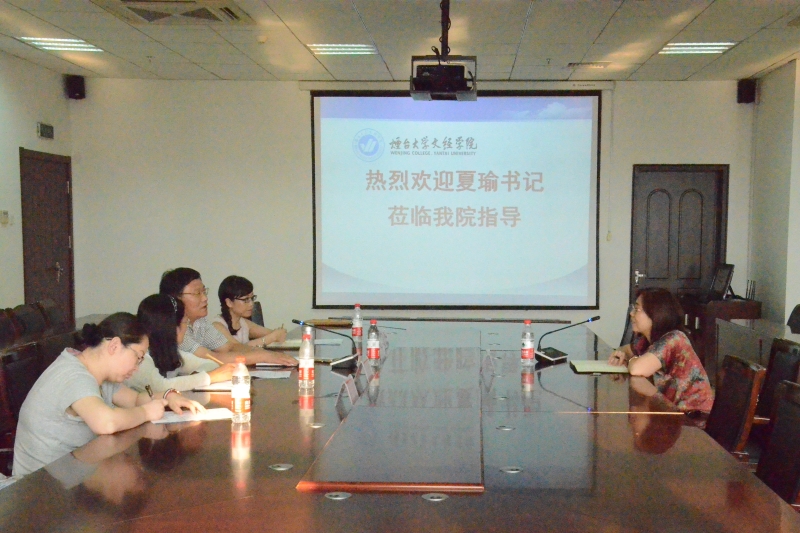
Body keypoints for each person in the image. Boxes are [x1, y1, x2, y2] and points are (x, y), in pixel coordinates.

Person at [12, 313, 203, 477]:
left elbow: (135, 399)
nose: (137, 368)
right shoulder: (74, 375)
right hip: (38, 488)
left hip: (65, 474)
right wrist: (146, 412)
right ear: (114, 346)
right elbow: (106, 423)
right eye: (138, 357)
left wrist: (168, 396)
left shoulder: (95, 372)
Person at [159, 268, 297, 366]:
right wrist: (263, 356)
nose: (205, 298)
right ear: (175, 299)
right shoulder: (174, 329)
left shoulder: (200, 322)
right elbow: (214, 358)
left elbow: (229, 347)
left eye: (204, 292)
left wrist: (268, 355)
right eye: (197, 293)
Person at [607, 288, 714, 413]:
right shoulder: (647, 340)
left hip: (692, 416)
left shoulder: (674, 339)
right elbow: (626, 349)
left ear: (655, 313)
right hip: (669, 409)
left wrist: (632, 359)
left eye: (637, 309)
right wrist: (620, 354)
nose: (631, 314)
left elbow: (637, 369)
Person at [126, 294, 236, 393]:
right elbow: (160, 387)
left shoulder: (170, 351)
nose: (186, 327)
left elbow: (210, 364)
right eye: (185, 322)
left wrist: (193, 378)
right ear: (171, 327)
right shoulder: (140, 356)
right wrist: (209, 377)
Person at [212, 275, 287, 348]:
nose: (251, 304)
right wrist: (272, 337)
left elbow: (271, 333)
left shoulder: (243, 323)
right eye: (246, 299)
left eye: (252, 298)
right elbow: (238, 349)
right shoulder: (217, 326)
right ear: (229, 302)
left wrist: (279, 333)